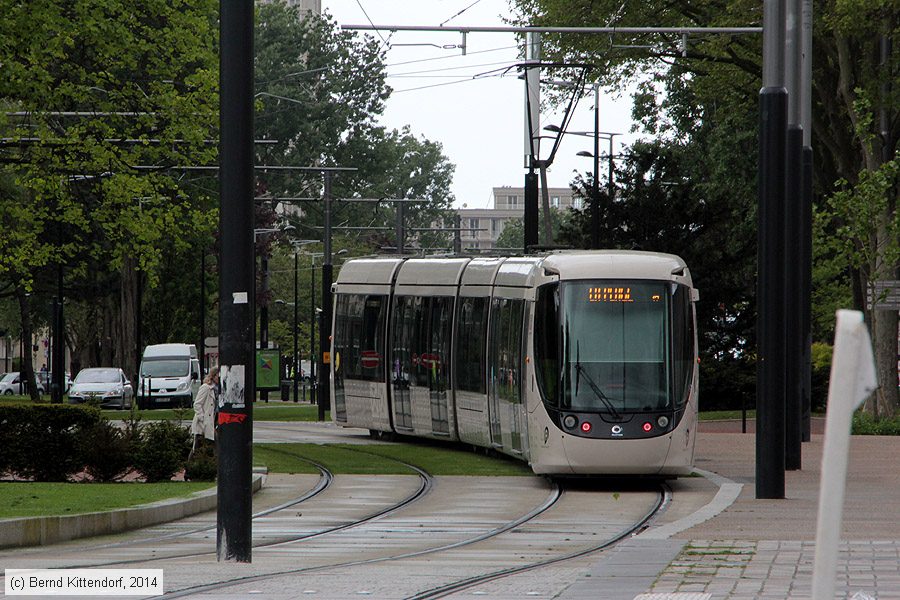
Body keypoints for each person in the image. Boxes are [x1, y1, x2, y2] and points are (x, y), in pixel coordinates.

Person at [190, 366, 219, 456]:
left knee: (213, 445)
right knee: (198, 447)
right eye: (218, 376)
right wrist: (202, 418)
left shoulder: (217, 389)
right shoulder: (206, 387)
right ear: (213, 376)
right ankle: (191, 463)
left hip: (212, 421)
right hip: (203, 423)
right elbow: (197, 404)